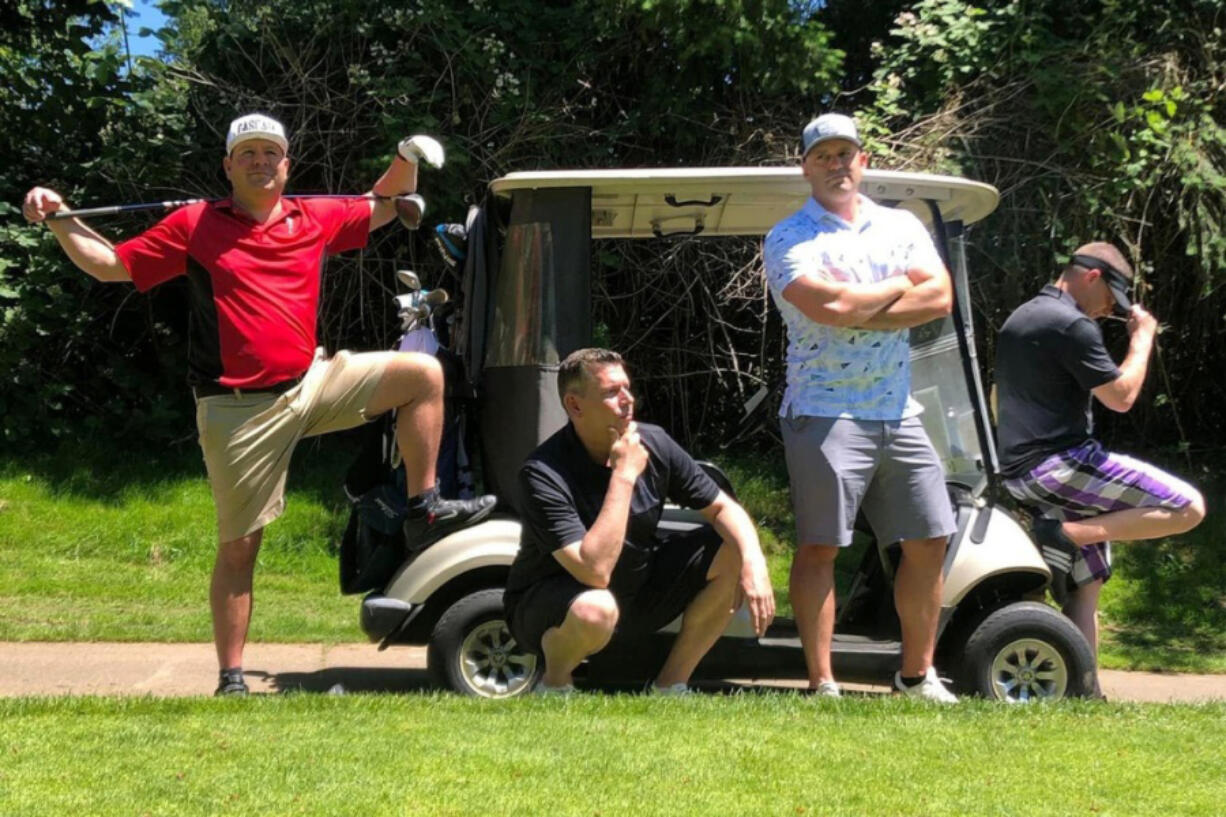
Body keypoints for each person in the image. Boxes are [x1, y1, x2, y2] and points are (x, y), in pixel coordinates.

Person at [22, 113, 496, 696]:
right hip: (236, 409)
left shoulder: (310, 216)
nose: (259, 161)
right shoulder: (196, 224)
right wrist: (60, 217)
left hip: (310, 382)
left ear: (286, 164)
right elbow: (111, 265)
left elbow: (381, 202)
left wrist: (406, 154)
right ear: (228, 166)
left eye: (270, 152)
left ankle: (424, 508)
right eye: (247, 152)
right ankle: (231, 676)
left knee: (422, 373)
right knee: (241, 545)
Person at [763, 112, 958, 701]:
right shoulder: (788, 236)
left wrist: (859, 302)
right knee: (822, 545)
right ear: (805, 167)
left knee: (930, 540)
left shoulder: (901, 225)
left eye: (845, 153)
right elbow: (829, 308)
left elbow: (941, 296)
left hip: (897, 412)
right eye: (823, 155)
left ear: (863, 161)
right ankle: (823, 682)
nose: (836, 165)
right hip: (824, 409)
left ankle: (917, 676)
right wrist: (899, 286)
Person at [503, 348, 775, 694]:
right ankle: (555, 684)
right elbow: (594, 571)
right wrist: (624, 475)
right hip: (555, 603)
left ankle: (670, 686)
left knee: (733, 548)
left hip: (635, 589)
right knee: (596, 608)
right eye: (611, 392)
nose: (627, 400)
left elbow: (724, 509)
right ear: (575, 405)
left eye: (627, 388)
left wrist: (754, 561)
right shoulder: (542, 473)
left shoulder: (655, 442)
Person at [993, 242, 1205, 665]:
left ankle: (1083, 689)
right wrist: (1143, 339)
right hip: (1059, 465)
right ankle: (1065, 535)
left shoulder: (1023, 316)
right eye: (1111, 297)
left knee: (1086, 584)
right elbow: (1121, 397)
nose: (1109, 309)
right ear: (1092, 276)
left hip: (1019, 470)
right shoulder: (1070, 325)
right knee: (1188, 507)